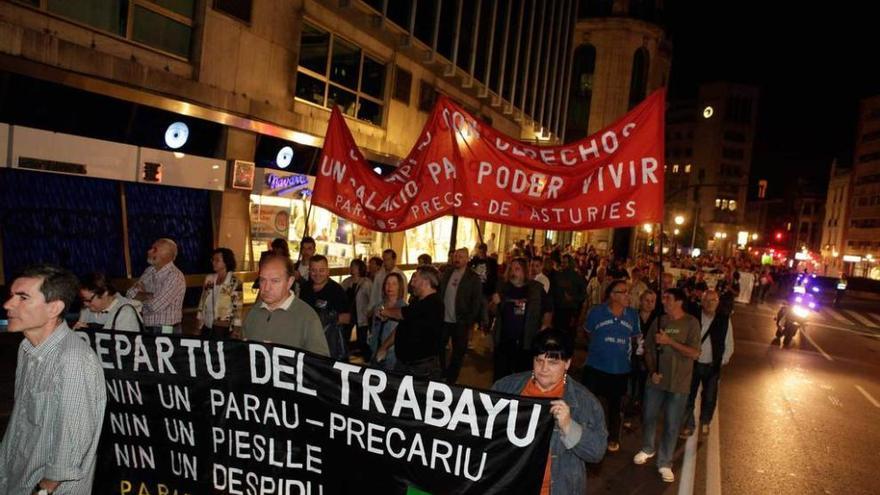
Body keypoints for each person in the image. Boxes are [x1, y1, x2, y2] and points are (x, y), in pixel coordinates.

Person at [0, 264, 107, 495]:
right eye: (11, 296)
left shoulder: (73, 360)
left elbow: (73, 443)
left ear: (54, 308)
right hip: (17, 478)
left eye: (23, 298)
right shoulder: (26, 348)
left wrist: (42, 490)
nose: (8, 305)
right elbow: (20, 422)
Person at [492, 329, 608, 495]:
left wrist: (569, 426)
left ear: (567, 363)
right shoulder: (506, 387)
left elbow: (597, 453)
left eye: (553, 362)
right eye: (539, 361)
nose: (544, 368)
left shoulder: (585, 403)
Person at [633, 288, 701, 483]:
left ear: (679, 302)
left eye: (668, 298)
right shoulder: (659, 320)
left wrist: (669, 341)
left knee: (672, 424)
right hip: (656, 381)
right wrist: (652, 371)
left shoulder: (691, 323)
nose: (663, 301)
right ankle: (648, 448)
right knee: (649, 416)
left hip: (679, 384)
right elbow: (648, 349)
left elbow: (695, 353)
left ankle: (665, 462)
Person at [583, 280, 643, 452]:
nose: (627, 295)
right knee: (590, 402)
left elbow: (635, 337)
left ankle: (613, 437)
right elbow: (587, 333)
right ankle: (587, 435)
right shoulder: (597, 312)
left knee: (615, 406)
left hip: (620, 369)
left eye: (628, 292)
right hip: (595, 366)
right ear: (612, 295)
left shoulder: (632, 315)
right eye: (623, 292)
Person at [242, 255, 329, 356]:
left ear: (290, 282)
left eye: (275, 281)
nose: (266, 288)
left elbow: (320, 363)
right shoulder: (254, 312)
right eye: (262, 280)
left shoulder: (307, 317)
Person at [681, 290, 734, 437]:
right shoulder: (694, 317)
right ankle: (688, 424)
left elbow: (729, 344)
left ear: (718, 302)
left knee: (710, 397)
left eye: (713, 300)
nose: (710, 303)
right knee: (688, 395)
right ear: (702, 302)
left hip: (712, 366)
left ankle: (705, 421)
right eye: (707, 300)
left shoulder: (724, 319)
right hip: (693, 364)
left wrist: (721, 360)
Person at [490, 257, 553, 381]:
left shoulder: (536, 288)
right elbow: (492, 311)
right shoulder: (503, 287)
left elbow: (548, 308)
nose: (513, 272)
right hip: (504, 340)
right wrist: (494, 303)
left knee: (522, 378)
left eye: (517, 269)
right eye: (511, 269)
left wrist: (545, 325)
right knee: (501, 376)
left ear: (524, 271)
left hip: (526, 342)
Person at [378, 266, 444, 380]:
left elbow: (401, 314)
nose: (412, 283)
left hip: (422, 368)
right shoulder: (417, 301)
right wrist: (384, 347)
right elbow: (402, 327)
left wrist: (384, 311)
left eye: (415, 279)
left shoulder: (434, 303)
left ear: (425, 282)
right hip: (406, 365)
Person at [439, 248, 483, 383]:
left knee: (458, 352)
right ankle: (441, 373)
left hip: (461, 320)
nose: (457, 258)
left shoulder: (473, 277)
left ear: (467, 259)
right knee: (439, 346)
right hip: (444, 319)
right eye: (456, 256)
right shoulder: (447, 272)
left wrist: (470, 319)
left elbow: (476, 300)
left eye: (461, 256)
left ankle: (452, 378)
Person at [126, 238, 186, 334]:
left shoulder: (175, 276)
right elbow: (129, 295)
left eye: (154, 249)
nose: (149, 251)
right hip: (146, 327)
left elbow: (155, 306)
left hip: (166, 330)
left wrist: (140, 295)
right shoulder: (149, 271)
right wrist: (148, 295)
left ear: (166, 254)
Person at [299, 255, 351, 360]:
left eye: (321, 270)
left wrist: (328, 319)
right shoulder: (305, 288)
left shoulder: (337, 290)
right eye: (314, 270)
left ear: (328, 271)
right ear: (309, 271)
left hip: (329, 346)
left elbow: (348, 318)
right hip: (308, 343)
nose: (317, 274)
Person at [196, 248, 243, 339]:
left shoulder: (235, 282)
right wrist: (198, 323)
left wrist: (236, 331)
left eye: (217, 260)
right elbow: (202, 301)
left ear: (226, 262)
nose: (213, 262)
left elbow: (238, 309)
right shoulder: (209, 279)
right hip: (206, 324)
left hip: (222, 326)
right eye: (213, 259)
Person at [75, 272, 143, 332]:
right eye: (83, 299)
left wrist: (89, 334)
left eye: (89, 300)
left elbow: (121, 344)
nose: (85, 303)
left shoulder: (126, 312)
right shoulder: (86, 310)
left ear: (105, 293)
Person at [369, 272, 407, 370]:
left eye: (394, 284)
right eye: (387, 283)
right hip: (375, 352)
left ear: (400, 287)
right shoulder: (378, 306)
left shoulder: (403, 309)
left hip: (393, 355)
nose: (390, 287)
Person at [551, 255, 587, 343]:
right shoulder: (558, 275)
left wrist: (573, 298)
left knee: (568, 335)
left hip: (570, 310)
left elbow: (583, 294)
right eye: (562, 262)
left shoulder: (577, 276)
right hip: (558, 309)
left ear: (570, 263)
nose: (563, 264)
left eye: (565, 262)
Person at [341, 259, 372, 359]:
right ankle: (344, 355)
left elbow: (372, 298)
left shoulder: (366, 282)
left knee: (362, 338)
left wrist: (369, 311)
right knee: (345, 336)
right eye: (351, 266)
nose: (351, 268)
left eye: (353, 266)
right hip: (348, 314)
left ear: (359, 268)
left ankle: (366, 358)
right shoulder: (347, 281)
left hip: (361, 314)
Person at [369, 249, 405, 313]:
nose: (385, 262)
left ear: (394, 260)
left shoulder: (400, 275)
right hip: (379, 309)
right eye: (384, 260)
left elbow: (403, 294)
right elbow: (374, 293)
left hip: (395, 310)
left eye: (388, 259)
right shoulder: (379, 275)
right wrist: (370, 308)